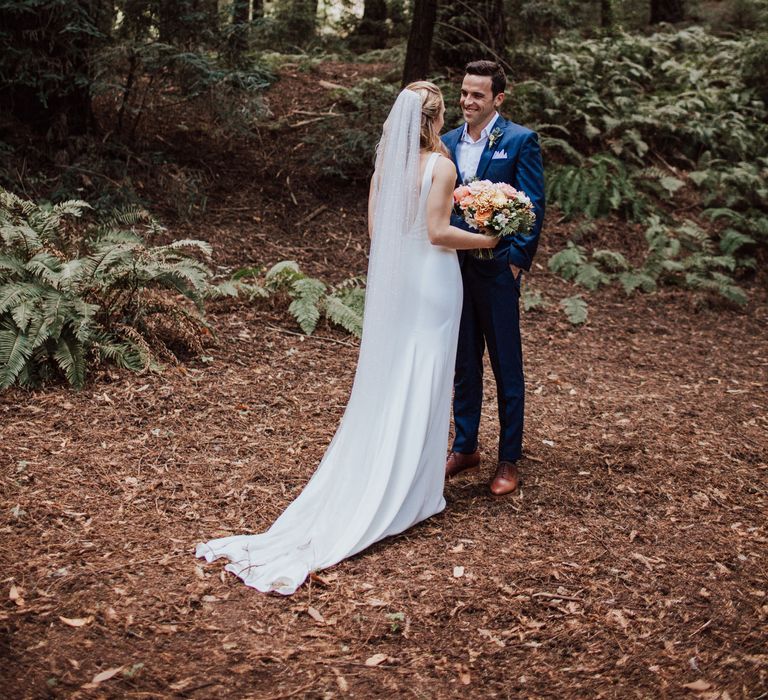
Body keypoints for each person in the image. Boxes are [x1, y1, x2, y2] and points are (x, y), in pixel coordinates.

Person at [196, 82, 497, 595]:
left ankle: (400, 478)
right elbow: (438, 232)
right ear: (435, 118)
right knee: (425, 376)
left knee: (400, 376)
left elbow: (380, 234)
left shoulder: (386, 168)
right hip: (435, 284)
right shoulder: (441, 168)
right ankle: (416, 493)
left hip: (400, 285)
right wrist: (489, 238)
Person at [442, 60, 545, 496]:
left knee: (506, 363)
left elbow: (532, 203)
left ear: (497, 99)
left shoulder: (520, 140)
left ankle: (509, 457)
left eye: (477, 95)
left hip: (498, 270)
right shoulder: (446, 142)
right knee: (463, 361)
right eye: (464, 92)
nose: (467, 101)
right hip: (452, 268)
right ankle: (464, 446)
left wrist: (516, 260)